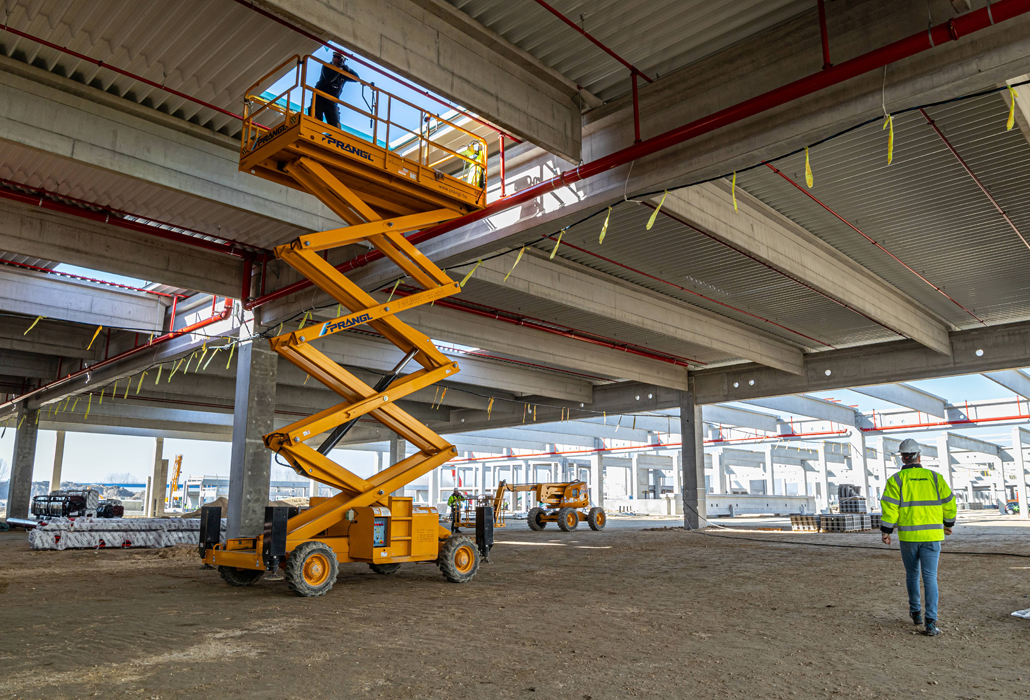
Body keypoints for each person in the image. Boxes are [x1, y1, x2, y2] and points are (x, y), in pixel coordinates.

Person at [880, 438, 957, 637]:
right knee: (930, 577)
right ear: (918, 455)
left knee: (912, 575)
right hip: (932, 536)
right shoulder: (935, 477)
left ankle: (915, 614)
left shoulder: (896, 480)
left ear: (902, 458)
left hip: (909, 537)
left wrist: (886, 531)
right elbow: (949, 503)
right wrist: (948, 524)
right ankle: (931, 623)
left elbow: (890, 508)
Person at [311, 51, 360, 128]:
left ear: (343, 60)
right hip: (319, 98)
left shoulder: (344, 71)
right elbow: (329, 78)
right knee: (315, 122)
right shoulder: (327, 66)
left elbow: (357, 79)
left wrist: (346, 69)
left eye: (338, 57)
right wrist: (339, 69)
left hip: (332, 102)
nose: (335, 59)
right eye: (334, 56)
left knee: (335, 127)